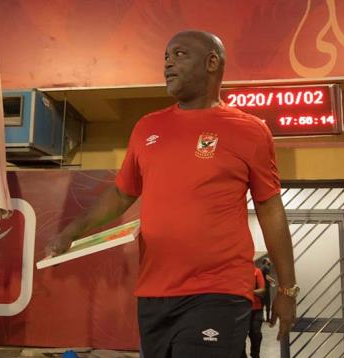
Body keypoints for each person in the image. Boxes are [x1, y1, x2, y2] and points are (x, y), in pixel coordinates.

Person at [45, 30, 298, 357]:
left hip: (217, 291)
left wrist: (287, 289)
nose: (167, 63)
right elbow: (121, 195)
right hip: (154, 294)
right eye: (165, 56)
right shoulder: (147, 127)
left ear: (211, 63)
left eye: (179, 54)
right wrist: (71, 231)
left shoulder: (249, 130)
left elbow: (270, 208)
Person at [241, 266, 266, 358]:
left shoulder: (256, 271)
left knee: (256, 334)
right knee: (240, 336)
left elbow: (262, 291)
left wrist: (249, 291)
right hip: (241, 310)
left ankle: (255, 354)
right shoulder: (236, 272)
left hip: (256, 309)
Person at [259, 257, 276, 323]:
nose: (270, 261)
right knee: (268, 303)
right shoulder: (266, 267)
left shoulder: (261, 268)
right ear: (266, 261)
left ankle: (262, 318)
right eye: (269, 260)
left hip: (261, 288)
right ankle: (268, 319)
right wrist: (273, 280)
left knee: (262, 304)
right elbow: (267, 277)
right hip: (265, 289)